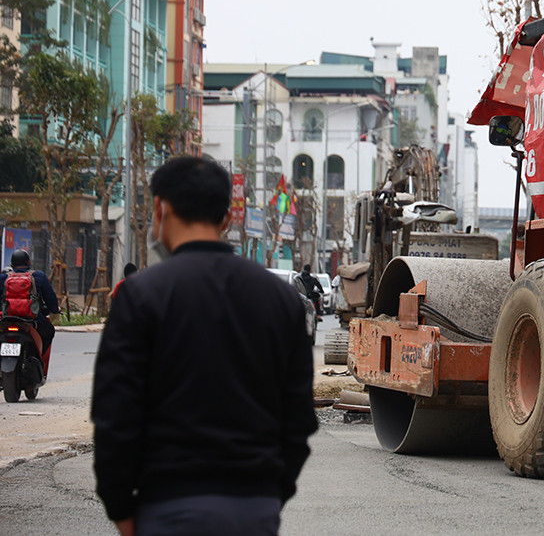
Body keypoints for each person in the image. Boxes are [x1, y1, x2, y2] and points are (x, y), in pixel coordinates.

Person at [92, 156, 317, 536]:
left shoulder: (140, 296)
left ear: (161, 208)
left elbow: (115, 417)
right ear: (227, 218)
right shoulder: (279, 299)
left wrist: (122, 510)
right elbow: (298, 418)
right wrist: (272, 495)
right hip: (254, 508)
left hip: (166, 507)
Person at [0, 249, 60, 371]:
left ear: (12, 264)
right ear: (28, 263)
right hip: (31, 320)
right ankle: (38, 360)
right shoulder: (38, 277)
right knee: (49, 331)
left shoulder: (3, 278)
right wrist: (54, 309)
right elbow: (51, 299)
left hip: (6, 319)